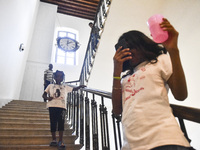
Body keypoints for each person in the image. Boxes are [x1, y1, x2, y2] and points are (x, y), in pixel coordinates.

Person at [112, 18, 192, 150]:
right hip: (131, 146)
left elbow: (181, 95)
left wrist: (173, 51)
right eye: (124, 50)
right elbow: (117, 110)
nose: (128, 52)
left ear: (141, 44)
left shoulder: (159, 60)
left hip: (164, 140)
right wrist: (116, 72)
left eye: (130, 47)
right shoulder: (124, 79)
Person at [42, 70, 86, 149]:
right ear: (54, 77)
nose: (59, 78)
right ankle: (54, 139)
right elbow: (44, 94)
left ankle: (60, 141)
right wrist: (48, 98)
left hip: (62, 107)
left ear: (63, 78)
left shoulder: (65, 87)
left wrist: (80, 86)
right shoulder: (50, 85)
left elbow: (74, 89)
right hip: (52, 106)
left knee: (61, 123)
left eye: (61, 76)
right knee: (53, 122)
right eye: (57, 76)